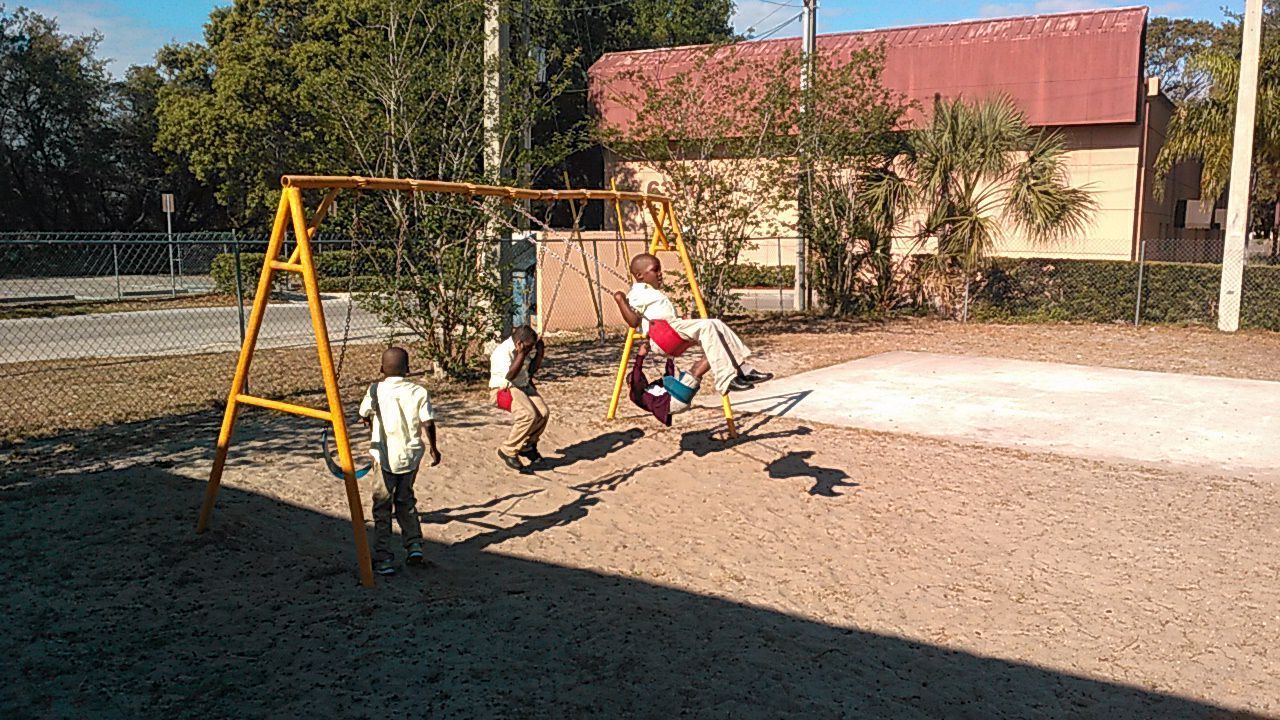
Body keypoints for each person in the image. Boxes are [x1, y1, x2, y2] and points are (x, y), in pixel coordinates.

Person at [611, 253, 772, 396]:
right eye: (655, 270)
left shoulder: (649, 290)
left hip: (672, 330)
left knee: (716, 324)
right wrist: (620, 299)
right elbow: (633, 321)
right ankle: (726, 380)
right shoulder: (638, 292)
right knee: (708, 327)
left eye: (660, 270)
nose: (660, 274)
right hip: (663, 335)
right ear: (639, 275)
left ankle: (742, 369)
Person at [358, 346, 440, 576]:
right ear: (408, 369)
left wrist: (369, 419)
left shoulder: (375, 390)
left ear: (381, 368)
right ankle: (414, 545)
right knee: (405, 499)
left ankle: (383, 556)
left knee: (382, 506)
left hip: (384, 455)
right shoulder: (418, 392)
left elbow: (364, 412)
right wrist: (434, 447)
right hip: (410, 455)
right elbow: (428, 423)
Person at [489, 325, 549, 472]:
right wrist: (522, 354)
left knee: (543, 413)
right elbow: (510, 376)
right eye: (529, 347)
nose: (531, 349)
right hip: (503, 388)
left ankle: (528, 446)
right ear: (519, 344)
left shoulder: (526, 347)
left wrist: (539, 353)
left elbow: (531, 370)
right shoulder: (502, 353)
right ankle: (507, 450)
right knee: (527, 415)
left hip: (522, 385)